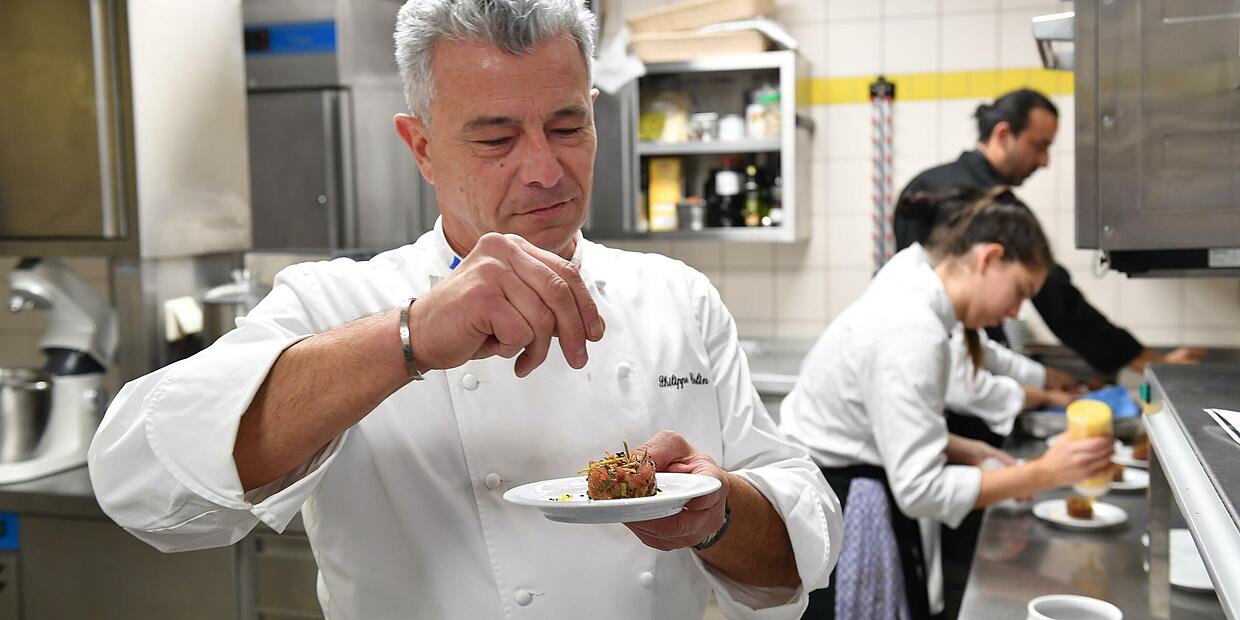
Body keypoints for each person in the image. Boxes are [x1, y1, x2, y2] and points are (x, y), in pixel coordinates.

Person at [85, 2, 843, 618]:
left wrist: (713, 515)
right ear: (420, 146)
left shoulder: (678, 298)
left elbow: (798, 549)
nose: (545, 170)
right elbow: (140, 482)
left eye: (568, 125)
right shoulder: (338, 303)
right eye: (496, 137)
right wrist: (406, 339)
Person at [779, 187, 1115, 619]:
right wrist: (1045, 472)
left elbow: (874, 414)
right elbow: (919, 490)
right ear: (989, 258)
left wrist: (955, 445)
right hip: (840, 502)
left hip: (843, 484)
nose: (1015, 312)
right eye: (1019, 291)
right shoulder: (914, 329)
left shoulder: (921, 296)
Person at [896, 88, 1203, 379]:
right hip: (964, 381)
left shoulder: (921, 183)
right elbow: (1060, 303)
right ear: (1004, 135)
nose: (1044, 161)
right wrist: (1149, 362)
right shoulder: (997, 209)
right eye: (1039, 146)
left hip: (934, 369)